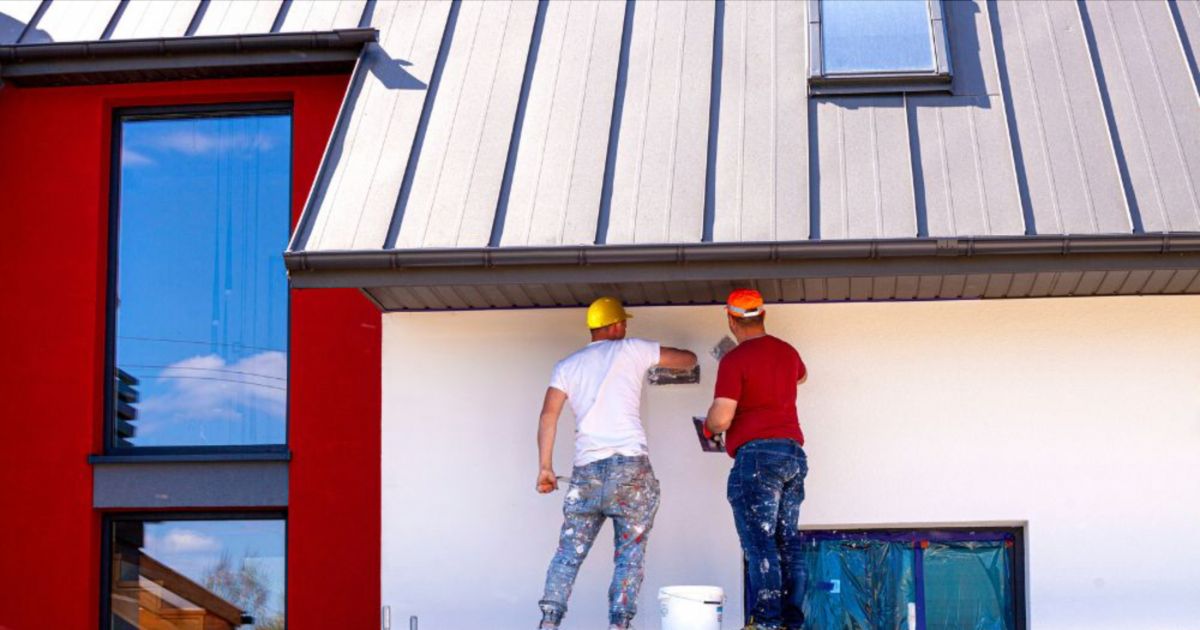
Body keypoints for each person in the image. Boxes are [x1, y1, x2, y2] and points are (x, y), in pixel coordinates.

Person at [535, 296, 697, 630]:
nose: (625, 327)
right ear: (614, 326)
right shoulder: (632, 349)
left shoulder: (567, 366)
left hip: (586, 474)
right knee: (629, 552)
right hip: (630, 471)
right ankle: (619, 624)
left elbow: (548, 417)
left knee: (569, 552)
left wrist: (545, 467)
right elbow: (687, 360)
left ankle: (549, 621)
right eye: (623, 322)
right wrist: (669, 355)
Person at [704, 289, 809, 630]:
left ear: (731, 319)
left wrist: (708, 426)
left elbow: (721, 419)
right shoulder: (787, 352)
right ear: (762, 316)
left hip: (757, 457)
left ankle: (766, 621)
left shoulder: (734, 360)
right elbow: (802, 375)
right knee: (787, 540)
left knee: (759, 540)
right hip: (792, 454)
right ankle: (790, 620)